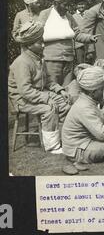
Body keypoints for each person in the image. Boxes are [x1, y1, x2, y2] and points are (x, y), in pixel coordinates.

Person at [8, 21, 71, 154]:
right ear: (29, 45)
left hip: (38, 93)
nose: (43, 45)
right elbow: (25, 91)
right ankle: (52, 146)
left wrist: (60, 90)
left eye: (42, 41)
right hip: (21, 100)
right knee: (49, 109)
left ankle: (69, 138)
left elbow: (47, 81)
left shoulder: (38, 58)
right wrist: (47, 98)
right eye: (39, 42)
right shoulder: (22, 62)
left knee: (65, 103)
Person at [62, 66, 104, 164]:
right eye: (103, 89)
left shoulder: (88, 101)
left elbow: (99, 124)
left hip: (84, 144)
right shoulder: (84, 107)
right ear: (93, 92)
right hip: (78, 151)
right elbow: (101, 134)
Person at [39, 0, 98, 87]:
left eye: (69, 5)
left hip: (68, 60)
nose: (67, 8)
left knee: (68, 89)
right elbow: (37, 34)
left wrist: (89, 38)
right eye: (65, 5)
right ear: (56, 3)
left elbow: (77, 34)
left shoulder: (69, 17)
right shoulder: (45, 14)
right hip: (51, 60)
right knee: (53, 88)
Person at [72, 0, 89, 64]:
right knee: (80, 64)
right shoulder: (73, 17)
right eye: (79, 4)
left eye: (83, 4)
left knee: (90, 64)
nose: (81, 6)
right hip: (78, 45)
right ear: (76, 5)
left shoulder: (89, 14)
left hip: (89, 43)